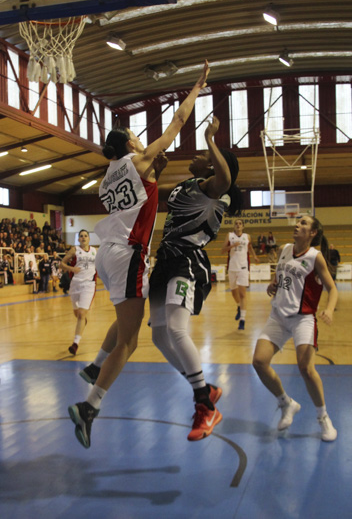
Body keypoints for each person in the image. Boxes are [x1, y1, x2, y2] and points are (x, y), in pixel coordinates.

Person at [69, 61, 210, 449]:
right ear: (130, 144)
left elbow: (142, 194)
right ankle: (90, 406)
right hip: (128, 253)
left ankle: (96, 362)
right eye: (133, 135)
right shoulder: (141, 158)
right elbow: (178, 122)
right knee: (130, 341)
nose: (138, 138)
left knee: (132, 309)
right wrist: (196, 89)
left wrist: (154, 171)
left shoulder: (105, 180)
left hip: (106, 254)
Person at [148, 116, 242, 441]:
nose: (196, 155)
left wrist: (210, 138)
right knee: (159, 337)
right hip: (165, 260)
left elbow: (227, 178)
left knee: (176, 329)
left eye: (203, 154)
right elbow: (159, 201)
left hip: (187, 260)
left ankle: (205, 406)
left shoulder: (216, 192)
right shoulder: (185, 186)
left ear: (213, 165)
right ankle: (206, 388)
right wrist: (156, 174)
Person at [252, 215, 338, 441]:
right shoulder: (285, 248)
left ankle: (323, 418)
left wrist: (329, 309)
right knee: (259, 361)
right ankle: (286, 403)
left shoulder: (315, 257)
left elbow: (333, 288)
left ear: (312, 233)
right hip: (278, 316)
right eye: (297, 222)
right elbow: (281, 272)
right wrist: (274, 282)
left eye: (303, 223)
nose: (297, 225)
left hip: (303, 318)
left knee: (306, 369)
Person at [60, 229, 97, 356]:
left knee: (81, 313)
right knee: (77, 314)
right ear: (78, 239)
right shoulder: (74, 250)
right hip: (75, 284)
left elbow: (99, 267)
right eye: (81, 236)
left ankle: (75, 344)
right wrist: (71, 268)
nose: (83, 238)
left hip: (89, 285)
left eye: (85, 236)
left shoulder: (94, 251)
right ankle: (83, 321)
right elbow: (62, 264)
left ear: (89, 238)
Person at [222, 218, 259, 330]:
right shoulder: (229, 236)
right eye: (236, 224)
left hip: (243, 267)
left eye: (240, 224)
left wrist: (254, 256)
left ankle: (242, 319)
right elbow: (223, 250)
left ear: (243, 226)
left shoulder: (247, 236)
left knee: (242, 293)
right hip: (232, 267)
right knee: (234, 293)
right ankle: (238, 306)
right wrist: (232, 246)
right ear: (234, 226)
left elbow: (250, 246)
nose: (238, 225)